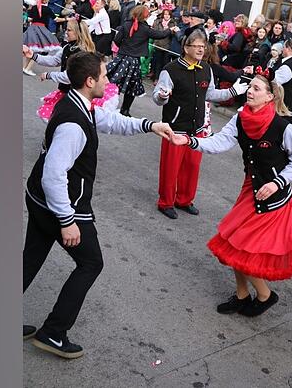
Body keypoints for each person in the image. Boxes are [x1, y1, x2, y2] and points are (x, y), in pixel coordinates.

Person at [23, 52, 175, 358]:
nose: (108, 80)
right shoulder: (73, 125)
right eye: (104, 76)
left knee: (30, 258)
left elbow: (108, 120)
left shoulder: (80, 104)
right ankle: (54, 332)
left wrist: (149, 125)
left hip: (39, 198)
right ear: (89, 81)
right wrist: (67, 221)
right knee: (91, 263)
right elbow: (54, 175)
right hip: (59, 203)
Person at [169, 75, 292, 316]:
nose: (250, 91)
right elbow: (219, 142)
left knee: (243, 250)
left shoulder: (283, 127)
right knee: (233, 245)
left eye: (256, 88)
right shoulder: (240, 118)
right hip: (250, 190)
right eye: (250, 87)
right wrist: (189, 140)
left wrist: (276, 182)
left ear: (269, 97)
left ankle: (265, 295)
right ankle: (242, 295)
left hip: (273, 199)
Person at [151, 29, 248, 219]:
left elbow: (210, 94)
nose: (201, 50)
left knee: (192, 167)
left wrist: (233, 92)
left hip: (197, 129)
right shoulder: (170, 70)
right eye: (196, 46)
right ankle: (166, 202)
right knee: (171, 169)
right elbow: (158, 96)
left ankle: (184, 200)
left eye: (203, 46)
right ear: (186, 48)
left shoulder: (206, 69)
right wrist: (162, 96)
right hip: (175, 127)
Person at [23, 18, 119, 120]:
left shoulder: (82, 53)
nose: (66, 33)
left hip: (77, 95)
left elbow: (70, 76)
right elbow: (53, 60)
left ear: (77, 32)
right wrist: (33, 55)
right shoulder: (67, 47)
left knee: (66, 122)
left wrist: (49, 75)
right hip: (66, 92)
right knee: (57, 120)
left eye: (69, 30)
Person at [106, 5, 171, 116]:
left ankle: (107, 105)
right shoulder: (145, 29)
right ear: (144, 16)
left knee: (112, 81)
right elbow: (160, 35)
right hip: (134, 61)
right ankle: (125, 110)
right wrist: (170, 30)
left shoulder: (126, 25)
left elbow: (116, 40)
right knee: (132, 87)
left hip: (121, 58)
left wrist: (125, 47)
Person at [22, 0, 62, 75]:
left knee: (31, 49)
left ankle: (25, 67)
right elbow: (56, 19)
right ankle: (28, 69)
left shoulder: (34, 7)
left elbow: (29, 19)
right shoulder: (47, 9)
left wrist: (35, 18)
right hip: (41, 30)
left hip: (32, 28)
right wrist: (67, 19)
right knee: (36, 51)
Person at [150, 6, 179, 81]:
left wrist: (170, 31)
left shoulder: (173, 23)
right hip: (158, 45)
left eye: (168, 14)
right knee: (157, 63)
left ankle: (162, 79)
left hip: (167, 46)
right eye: (165, 14)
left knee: (165, 63)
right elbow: (155, 32)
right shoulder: (158, 21)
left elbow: (174, 35)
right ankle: (156, 78)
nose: (166, 16)